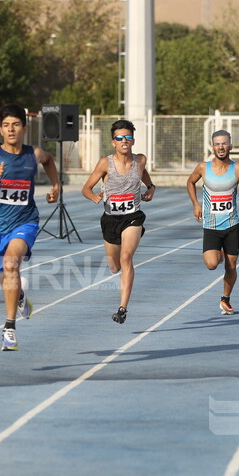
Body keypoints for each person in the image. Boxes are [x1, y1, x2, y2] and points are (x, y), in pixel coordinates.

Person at [0, 103, 60, 351]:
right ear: (1, 129)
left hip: (25, 222)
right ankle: (19, 297)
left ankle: (9, 328)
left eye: (16, 125)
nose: (11, 129)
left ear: (24, 128)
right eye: (6, 125)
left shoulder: (33, 153)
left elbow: (49, 160)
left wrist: (56, 186)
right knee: (8, 280)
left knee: (11, 264)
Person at [81, 119, 155, 324]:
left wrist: (151, 187)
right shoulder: (105, 163)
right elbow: (85, 188)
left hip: (133, 217)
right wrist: (94, 196)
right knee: (114, 266)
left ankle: (122, 308)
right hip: (110, 219)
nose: (124, 141)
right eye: (119, 138)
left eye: (128, 137)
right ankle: (118, 275)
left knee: (126, 258)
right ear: (113, 142)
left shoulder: (140, 160)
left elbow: (145, 175)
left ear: (133, 140)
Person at [186, 130, 239, 315]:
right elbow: (190, 182)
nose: (221, 147)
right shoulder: (203, 168)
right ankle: (219, 253)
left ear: (230, 146)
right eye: (217, 144)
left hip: (232, 224)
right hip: (211, 225)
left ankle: (225, 299)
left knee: (231, 266)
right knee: (211, 264)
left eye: (224, 143)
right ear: (212, 146)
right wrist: (195, 204)